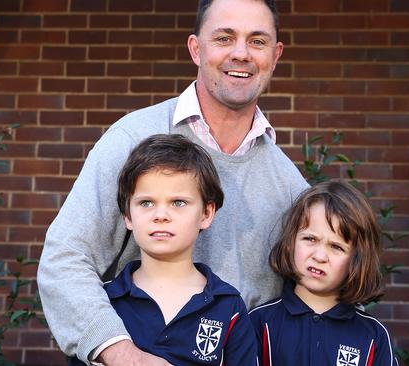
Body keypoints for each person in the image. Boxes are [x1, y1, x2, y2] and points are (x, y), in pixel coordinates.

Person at [37, 0, 309, 364]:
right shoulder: (132, 139)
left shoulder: (289, 186)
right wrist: (124, 356)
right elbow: (65, 259)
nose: (241, 54)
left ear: (275, 56)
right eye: (225, 37)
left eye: (257, 41)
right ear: (196, 49)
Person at [68, 134, 257, 365]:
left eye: (178, 202)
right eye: (146, 203)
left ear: (206, 214)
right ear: (128, 215)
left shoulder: (228, 307)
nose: (160, 215)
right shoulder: (103, 304)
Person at [249, 180, 398, 366]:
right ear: (291, 241)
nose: (319, 256)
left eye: (336, 246)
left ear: (357, 259)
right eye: (310, 239)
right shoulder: (260, 322)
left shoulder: (373, 336)